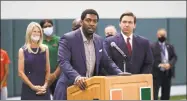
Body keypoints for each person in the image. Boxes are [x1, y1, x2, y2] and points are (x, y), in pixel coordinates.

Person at [53, 9, 122, 100]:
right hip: (69, 89)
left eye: (94, 21)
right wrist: (77, 77)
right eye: (88, 20)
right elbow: (63, 62)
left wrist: (120, 73)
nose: (92, 23)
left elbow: (107, 61)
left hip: (88, 90)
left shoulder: (99, 40)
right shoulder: (68, 38)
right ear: (82, 22)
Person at [18, 22, 51, 100]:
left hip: (43, 89)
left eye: (39, 31)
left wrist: (45, 86)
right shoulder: (22, 50)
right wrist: (33, 87)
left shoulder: (45, 49)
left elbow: (48, 70)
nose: (37, 33)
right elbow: (20, 73)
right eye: (34, 31)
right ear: (29, 33)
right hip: (29, 88)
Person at [150, 28, 177, 100]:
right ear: (157, 35)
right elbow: (150, 59)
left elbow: (174, 57)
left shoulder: (170, 46)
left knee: (166, 94)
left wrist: (170, 64)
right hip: (156, 74)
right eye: (161, 35)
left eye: (164, 35)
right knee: (154, 94)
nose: (162, 36)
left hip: (167, 74)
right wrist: (159, 65)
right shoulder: (152, 46)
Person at [40, 19, 61, 97]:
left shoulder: (59, 40)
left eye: (49, 26)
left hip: (57, 75)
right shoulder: (39, 41)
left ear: (53, 27)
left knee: (58, 97)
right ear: (41, 28)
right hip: (43, 77)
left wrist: (54, 75)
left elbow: (63, 59)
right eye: (45, 26)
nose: (47, 28)